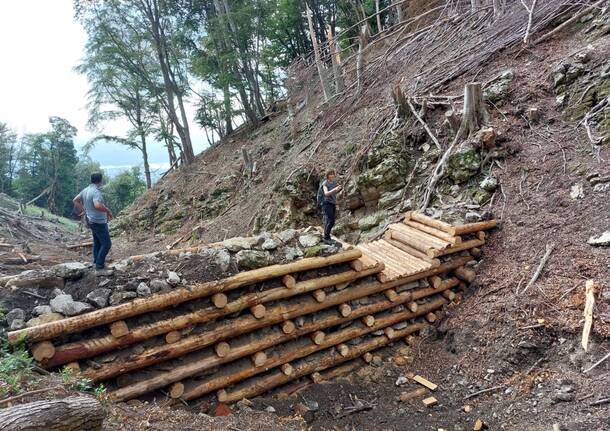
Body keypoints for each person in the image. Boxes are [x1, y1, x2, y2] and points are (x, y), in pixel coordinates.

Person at [73, 172, 113, 270]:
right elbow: (97, 205)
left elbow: (75, 200)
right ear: (100, 180)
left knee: (97, 242)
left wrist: (84, 210)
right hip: (98, 222)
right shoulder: (95, 192)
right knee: (107, 244)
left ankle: (96, 261)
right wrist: (108, 211)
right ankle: (99, 265)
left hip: (90, 220)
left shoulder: (86, 190)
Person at [320, 170, 342, 244]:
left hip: (332, 203)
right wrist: (335, 189)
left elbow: (334, 194)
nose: (332, 175)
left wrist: (338, 189)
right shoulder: (325, 183)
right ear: (327, 175)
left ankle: (326, 236)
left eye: (333, 174)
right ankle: (326, 237)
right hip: (326, 203)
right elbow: (326, 193)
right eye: (330, 174)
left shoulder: (334, 183)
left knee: (329, 220)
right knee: (331, 221)